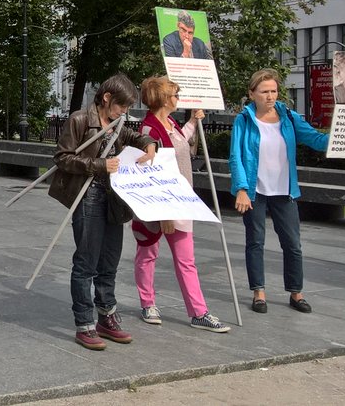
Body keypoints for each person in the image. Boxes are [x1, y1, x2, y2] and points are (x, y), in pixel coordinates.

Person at [49, 74, 157, 351]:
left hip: (113, 197)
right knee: (86, 261)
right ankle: (84, 322)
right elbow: (63, 157)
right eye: (122, 106)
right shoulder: (80, 119)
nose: (125, 112)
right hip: (87, 196)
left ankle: (106, 316)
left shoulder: (117, 122)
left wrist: (148, 142)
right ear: (107, 98)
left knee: (110, 261)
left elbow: (133, 134)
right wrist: (99, 165)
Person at [133, 77, 230, 333]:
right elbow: (152, 172)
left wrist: (194, 121)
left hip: (181, 202)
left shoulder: (170, 123)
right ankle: (148, 303)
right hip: (159, 205)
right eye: (175, 95)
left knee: (186, 260)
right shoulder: (149, 130)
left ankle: (198, 312)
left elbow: (180, 143)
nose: (178, 98)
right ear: (164, 99)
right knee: (148, 254)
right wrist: (163, 213)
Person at [229, 69, 328, 314]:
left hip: (285, 191)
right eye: (264, 92)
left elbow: (315, 139)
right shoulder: (244, 120)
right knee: (256, 242)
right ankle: (259, 293)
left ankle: (296, 293)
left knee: (293, 244)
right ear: (252, 94)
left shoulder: (289, 118)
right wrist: (241, 188)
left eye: (274, 91)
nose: (270, 96)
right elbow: (236, 157)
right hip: (255, 190)